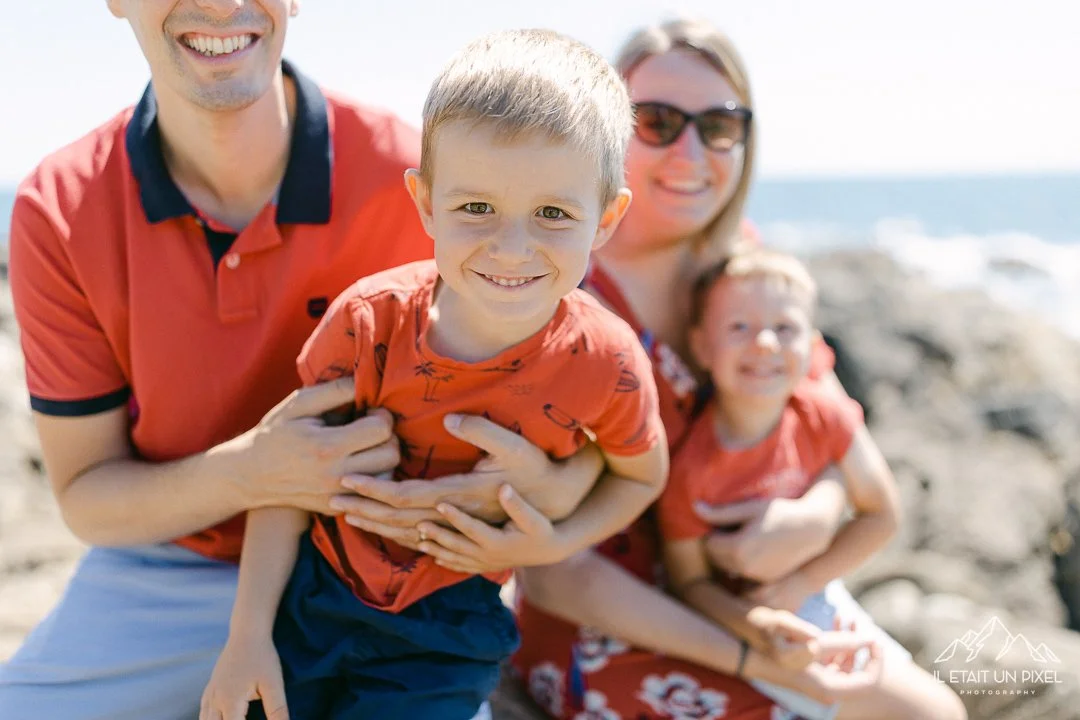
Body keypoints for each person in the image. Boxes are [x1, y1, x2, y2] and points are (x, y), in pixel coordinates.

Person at [0, 3, 603, 719]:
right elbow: (87, 498)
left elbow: (589, 406)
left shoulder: (427, 184)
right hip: (172, 566)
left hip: (398, 582)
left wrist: (547, 492)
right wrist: (254, 471)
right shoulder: (59, 207)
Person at [392, 17, 964, 720]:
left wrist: (812, 517)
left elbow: (831, 428)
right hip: (615, 629)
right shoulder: (550, 291)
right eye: (656, 122)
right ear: (609, 132)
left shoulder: (742, 267)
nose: (691, 152)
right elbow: (558, 573)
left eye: (719, 126)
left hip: (757, 597)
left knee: (933, 713)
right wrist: (751, 657)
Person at [198, 28, 670, 720]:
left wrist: (554, 541)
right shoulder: (368, 323)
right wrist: (246, 638)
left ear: (606, 217)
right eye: (475, 208)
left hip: (451, 627)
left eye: (553, 213)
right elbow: (284, 478)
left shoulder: (608, 361)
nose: (511, 248)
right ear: (424, 202)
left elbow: (641, 475)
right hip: (310, 595)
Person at [659, 248, 904, 720]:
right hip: (747, 627)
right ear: (702, 347)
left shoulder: (823, 415)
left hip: (817, 591)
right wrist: (760, 624)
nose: (766, 343)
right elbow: (689, 582)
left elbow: (882, 514)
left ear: (812, 346)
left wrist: (803, 582)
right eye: (739, 327)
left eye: (785, 327)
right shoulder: (690, 467)